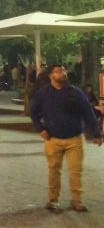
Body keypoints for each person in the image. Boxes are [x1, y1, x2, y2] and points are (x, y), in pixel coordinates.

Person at [30, 64, 102, 212]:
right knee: (54, 170)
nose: (63, 73)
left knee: (76, 171)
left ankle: (77, 200)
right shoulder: (43, 94)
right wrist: (40, 128)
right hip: (52, 139)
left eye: (64, 70)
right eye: (58, 71)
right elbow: (33, 111)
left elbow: (88, 113)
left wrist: (96, 133)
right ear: (50, 75)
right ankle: (53, 199)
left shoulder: (76, 93)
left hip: (75, 139)